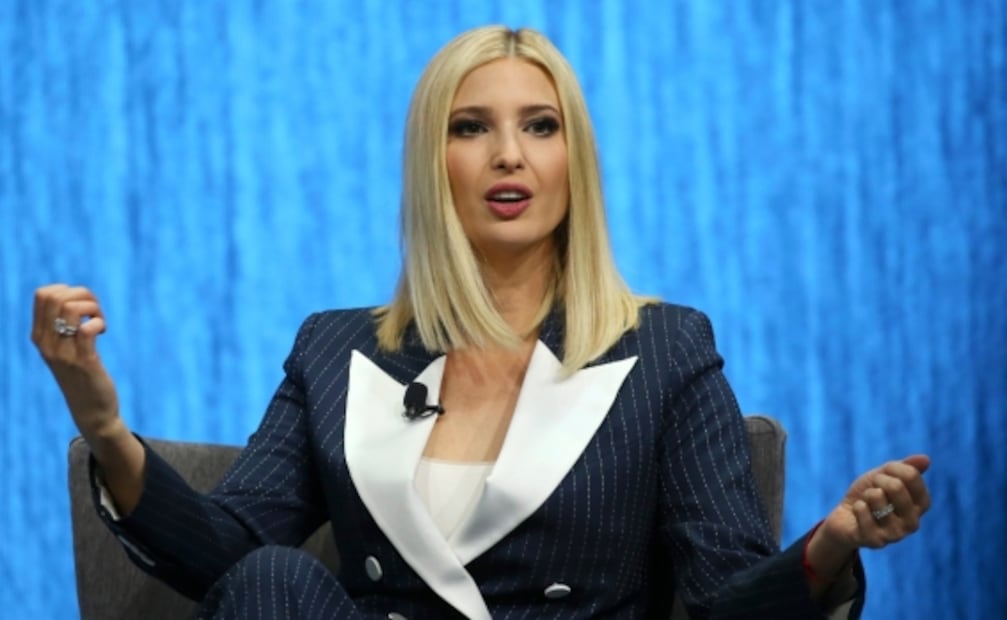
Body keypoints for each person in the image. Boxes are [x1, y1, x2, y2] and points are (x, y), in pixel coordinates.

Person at [33, 25, 930, 620]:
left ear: (574, 159)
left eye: (539, 126)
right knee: (271, 576)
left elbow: (721, 599)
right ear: (434, 163)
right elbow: (226, 558)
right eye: (470, 128)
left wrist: (831, 544)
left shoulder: (665, 348)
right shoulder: (335, 348)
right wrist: (105, 426)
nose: (508, 155)